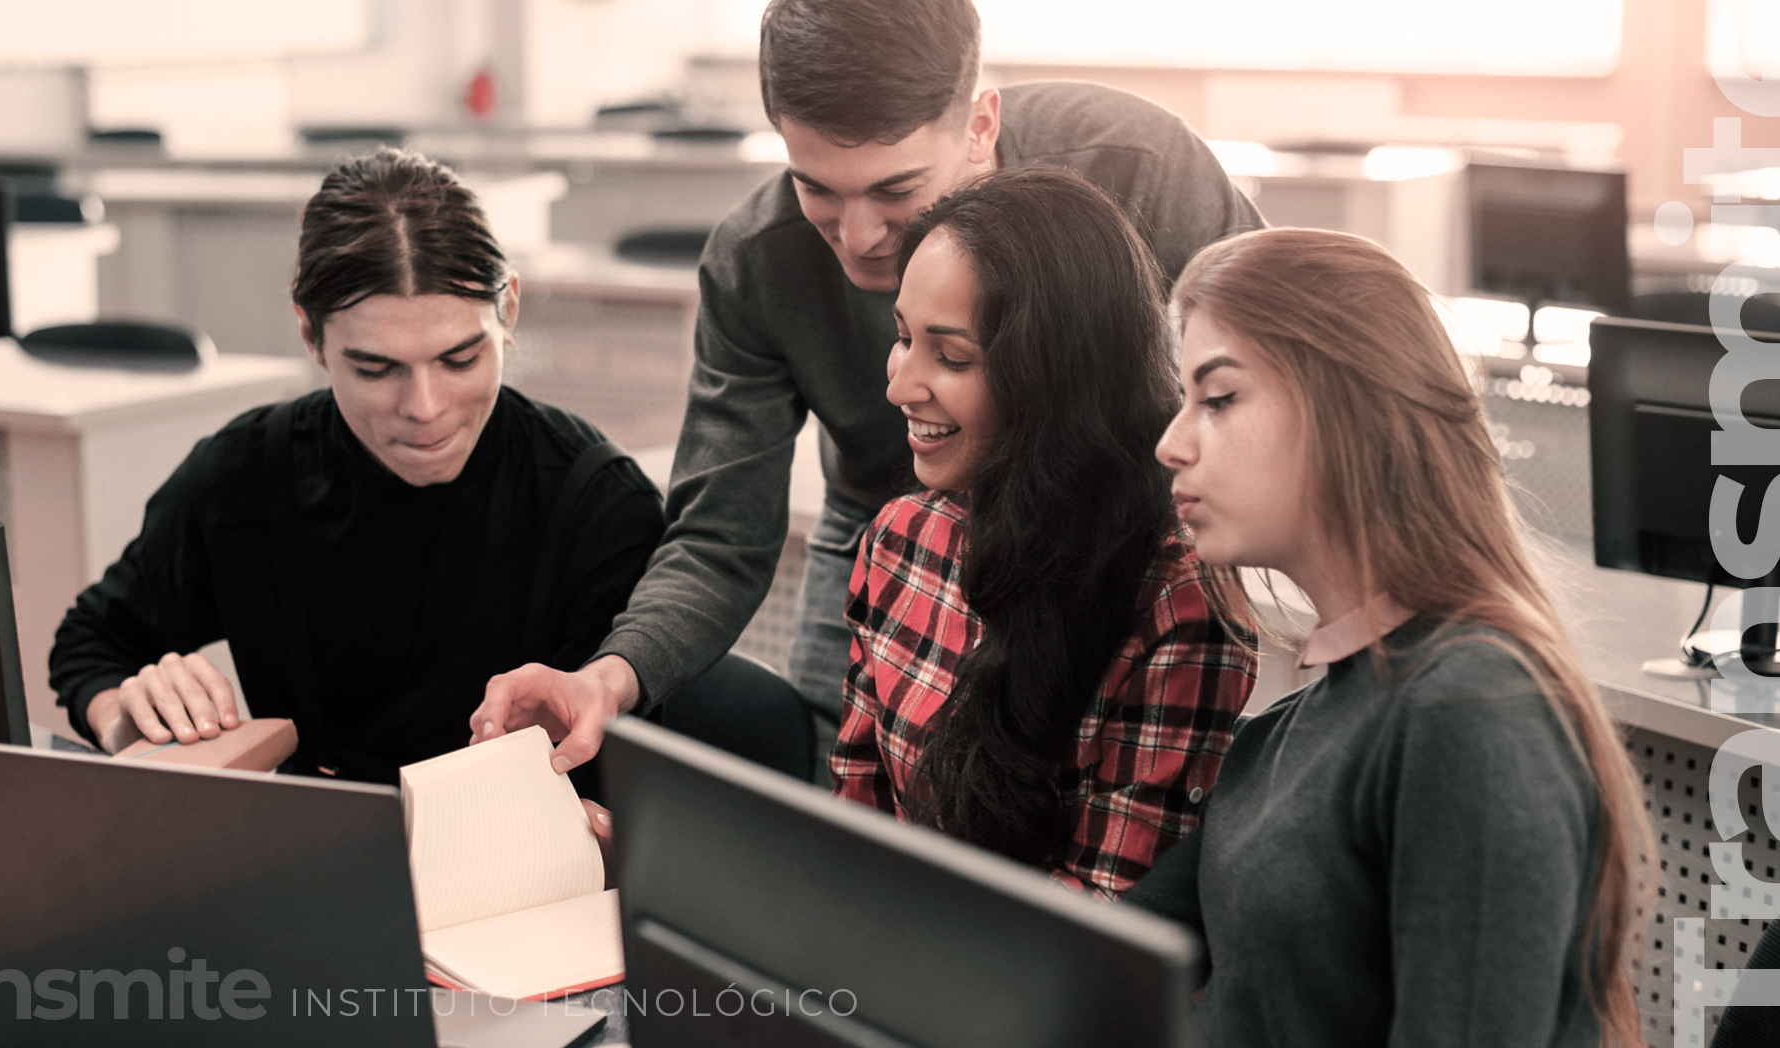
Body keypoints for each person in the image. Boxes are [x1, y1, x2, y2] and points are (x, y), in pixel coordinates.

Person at [473, 0, 1263, 777]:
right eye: (815, 186)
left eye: (895, 190)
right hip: (882, 526)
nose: (857, 237)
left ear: (980, 124)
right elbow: (722, 533)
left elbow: (1277, 378)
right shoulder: (755, 262)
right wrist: (610, 676)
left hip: (1120, 526)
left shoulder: (1133, 164)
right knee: (844, 793)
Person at [1129, 227, 1650, 1045]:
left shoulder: (1471, 709)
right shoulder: (1288, 733)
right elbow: (1103, 959)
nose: (1173, 442)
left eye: (1219, 399)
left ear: (1350, 409)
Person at [49, 148, 665, 783]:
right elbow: (90, 643)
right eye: (377, 369)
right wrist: (127, 713)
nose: (424, 408)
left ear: (508, 311)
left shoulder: (600, 504)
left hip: (524, 867)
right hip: (306, 851)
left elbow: (626, 778)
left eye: (460, 360)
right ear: (310, 336)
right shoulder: (245, 476)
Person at [830, 167, 1255, 896]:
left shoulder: (1175, 605)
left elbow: (1100, 928)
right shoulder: (898, 541)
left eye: (953, 356)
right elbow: (856, 827)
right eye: (902, 338)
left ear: (1056, 376)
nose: (899, 386)